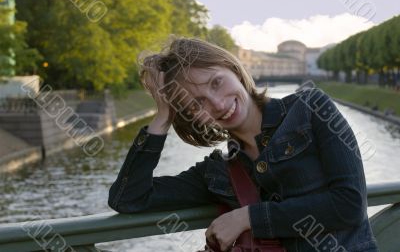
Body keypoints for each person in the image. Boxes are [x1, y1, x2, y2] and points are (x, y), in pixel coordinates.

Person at [108, 37, 378, 251]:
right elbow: (128, 198)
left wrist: (248, 218)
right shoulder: (216, 173)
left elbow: (350, 205)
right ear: (191, 118)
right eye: (196, 104)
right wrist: (163, 117)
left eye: (216, 82)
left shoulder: (311, 108)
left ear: (234, 69)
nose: (218, 104)